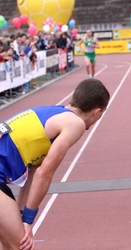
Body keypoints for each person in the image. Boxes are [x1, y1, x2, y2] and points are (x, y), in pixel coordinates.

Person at [0, 79, 110, 250]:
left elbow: (35, 173)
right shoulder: (75, 124)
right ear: (96, 112)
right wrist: (28, 222)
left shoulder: (53, 114)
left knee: (7, 244)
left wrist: (23, 216)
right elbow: (45, 174)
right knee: (21, 245)